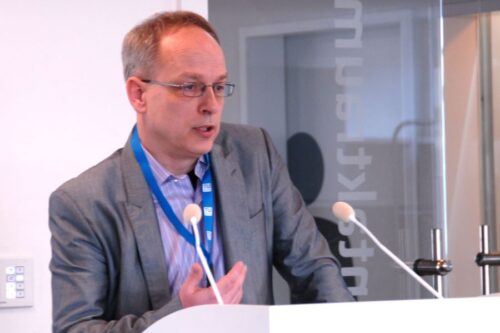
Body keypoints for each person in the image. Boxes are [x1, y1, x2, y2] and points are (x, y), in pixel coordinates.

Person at [49, 10, 354, 333]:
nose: (211, 104)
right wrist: (178, 317)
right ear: (139, 94)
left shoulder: (255, 154)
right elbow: (75, 329)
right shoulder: (83, 203)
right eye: (190, 87)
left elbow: (314, 268)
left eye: (219, 86)